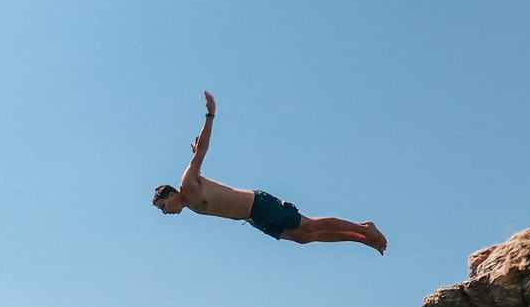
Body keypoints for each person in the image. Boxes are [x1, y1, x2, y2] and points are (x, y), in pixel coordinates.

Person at [152, 91, 387, 253]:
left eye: (163, 207)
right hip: (254, 218)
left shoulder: (188, 183)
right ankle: (362, 239)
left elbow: (202, 150)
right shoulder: (191, 206)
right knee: (304, 237)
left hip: (258, 205)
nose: (166, 212)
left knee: (310, 225)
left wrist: (210, 114)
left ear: (171, 195)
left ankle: (364, 228)